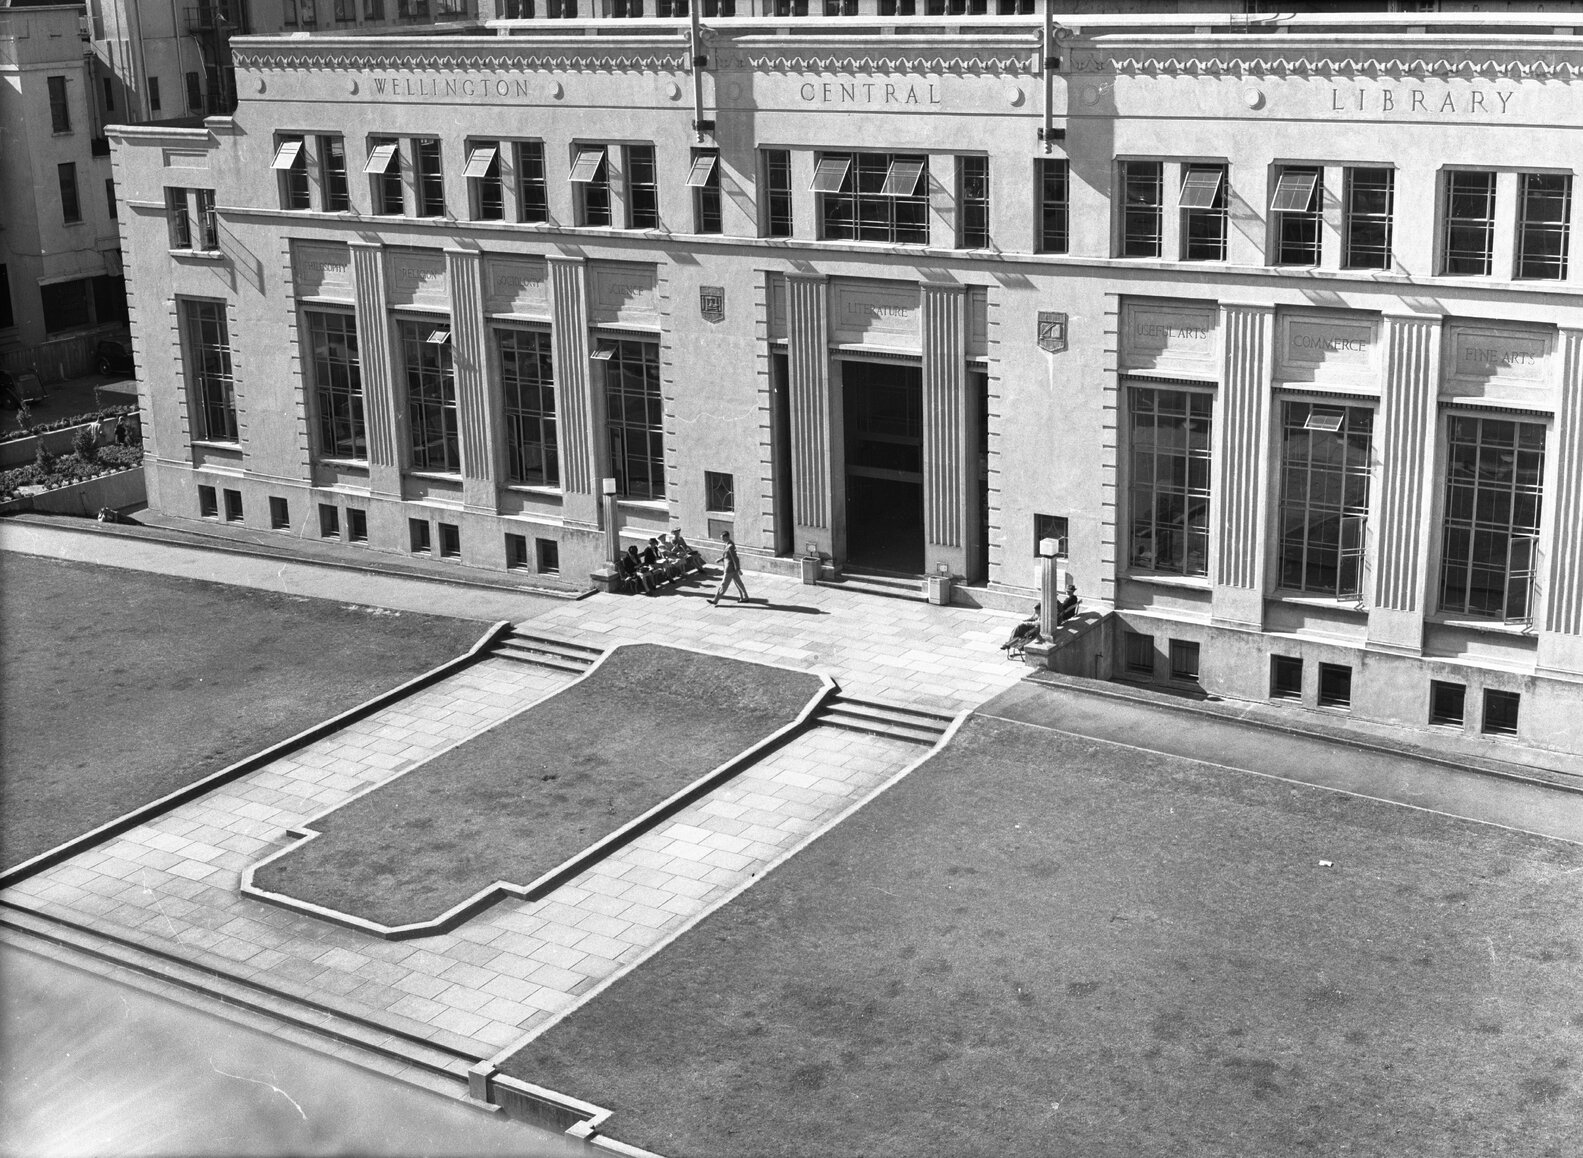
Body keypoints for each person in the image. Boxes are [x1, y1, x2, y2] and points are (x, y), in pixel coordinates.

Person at [709, 530, 749, 606]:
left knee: (724, 584)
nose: (721, 539)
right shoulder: (727, 544)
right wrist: (721, 559)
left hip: (729, 569)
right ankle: (745, 597)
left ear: (726, 537)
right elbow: (727, 556)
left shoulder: (730, 546)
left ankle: (715, 600)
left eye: (722, 538)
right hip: (732, 568)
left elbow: (735, 558)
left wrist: (738, 569)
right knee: (739, 583)